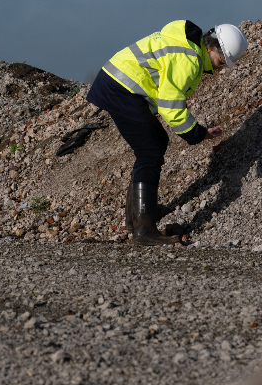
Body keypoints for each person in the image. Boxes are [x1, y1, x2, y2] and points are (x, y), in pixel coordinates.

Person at [86, 20, 248, 245]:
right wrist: (198, 134)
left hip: (118, 84)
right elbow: (170, 106)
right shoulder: (189, 60)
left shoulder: (187, 49)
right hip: (121, 88)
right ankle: (143, 231)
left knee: (156, 141)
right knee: (150, 151)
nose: (221, 67)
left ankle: (137, 217)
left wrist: (198, 131)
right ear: (211, 48)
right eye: (221, 61)